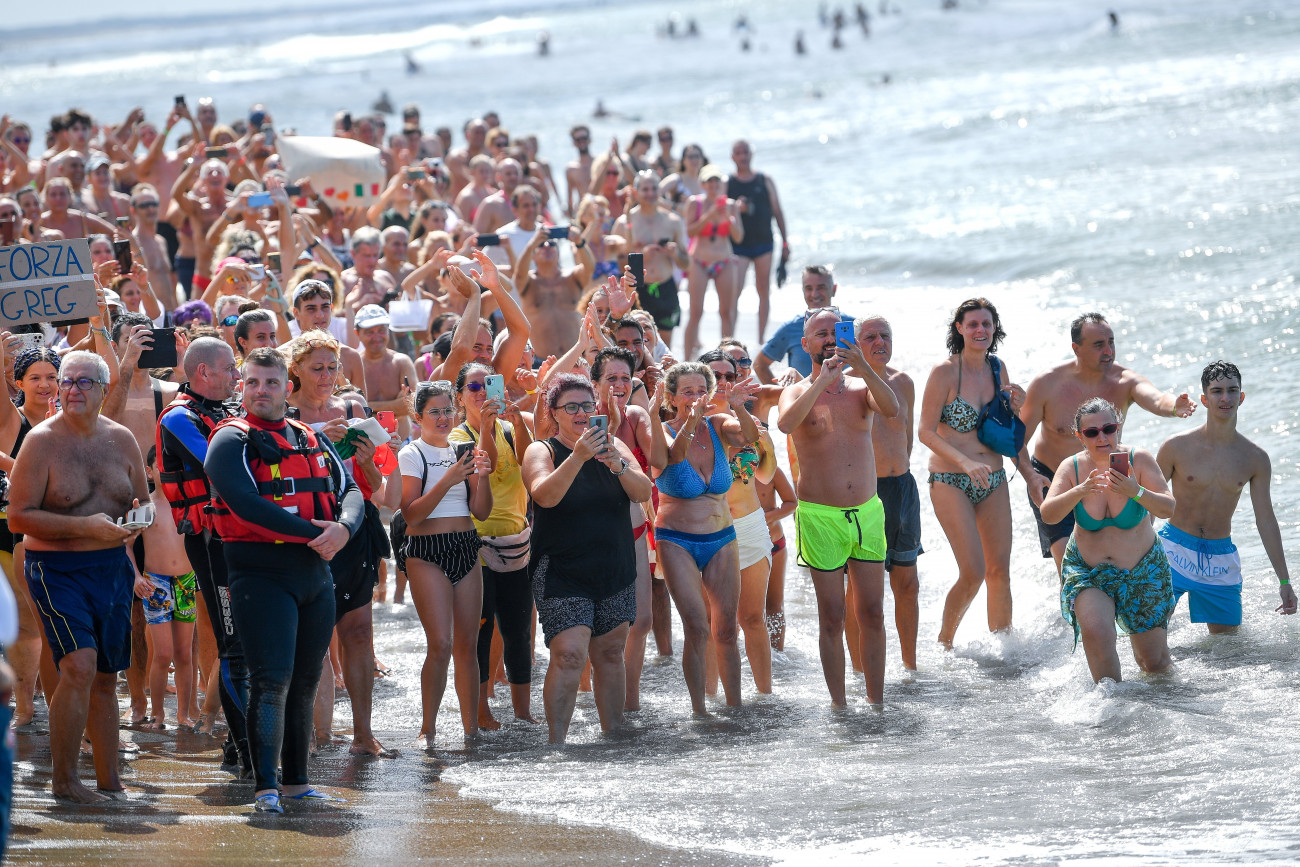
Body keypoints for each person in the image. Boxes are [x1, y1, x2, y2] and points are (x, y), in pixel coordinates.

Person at [205, 347, 362, 812]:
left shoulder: (308, 437)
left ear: (287, 388)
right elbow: (244, 504)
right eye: (252, 382)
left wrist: (344, 528)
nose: (260, 391)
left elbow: (348, 489)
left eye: (270, 383)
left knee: (307, 680)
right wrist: (317, 534)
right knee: (270, 680)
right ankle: (266, 787)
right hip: (259, 572)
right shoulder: (229, 440)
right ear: (242, 387)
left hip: (314, 573)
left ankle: (297, 780)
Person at [7, 351, 149, 804]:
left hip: (110, 568)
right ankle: (64, 780)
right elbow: (18, 518)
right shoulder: (42, 442)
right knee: (79, 666)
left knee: (107, 675)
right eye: (67, 382)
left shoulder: (121, 439)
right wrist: (85, 526)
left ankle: (110, 781)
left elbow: (140, 500)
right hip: (55, 569)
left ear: (103, 389)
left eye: (84, 382)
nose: (71, 390)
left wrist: (136, 521)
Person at [777, 310, 898, 707]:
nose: (830, 339)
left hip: (866, 513)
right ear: (806, 344)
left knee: (874, 613)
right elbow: (786, 424)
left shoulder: (861, 389)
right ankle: (839, 706)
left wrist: (861, 365)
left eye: (837, 332)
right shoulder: (796, 390)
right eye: (820, 334)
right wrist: (822, 381)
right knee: (831, 616)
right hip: (820, 516)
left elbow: (892, 407)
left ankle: (876, 703)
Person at [522, 374, 652, 742]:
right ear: (554, 413)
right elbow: (544, 496)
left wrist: (618, 465)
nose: (581, 414)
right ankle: (556, 744)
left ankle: (613, 737)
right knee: (569, 654)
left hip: (614, 566)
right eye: (571, 407)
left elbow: (644, 492)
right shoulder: (542, 451)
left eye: (587, 406)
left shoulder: (615, 448)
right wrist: (579, 455)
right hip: (561, 568)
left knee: (611, 654)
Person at [1020, 311, 1196, 571]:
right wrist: (1031, 476)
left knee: (1116, 561)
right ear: (1076, 348)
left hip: (1110, 475)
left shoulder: (1124, 380)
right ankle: (1074, 608)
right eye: (1098, 344)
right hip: (1052, 477)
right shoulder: (1048, 383)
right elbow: (1018, 439)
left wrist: (1173, 407)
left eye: (1111, 342)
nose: (1108, 351)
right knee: (1068, 568)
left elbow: (1156, 398)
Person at [284, 330, 389, 756]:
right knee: (307, 637)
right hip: (304, 532)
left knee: (359, 632)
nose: (326, 376)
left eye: (332, 367)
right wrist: (311, 435)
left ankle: (363, 734)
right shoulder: (282, 415)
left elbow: (378, 488)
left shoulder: (353, 409)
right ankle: (307, 735)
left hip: (355, 531)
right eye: (317, 368)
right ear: (296, 371)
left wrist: (368, 461)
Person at [154, 337, 250, 762]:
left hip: (244, 536)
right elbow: (220, 461)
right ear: (203, 373)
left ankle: (244, 739)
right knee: (232, 641)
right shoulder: (177, 417)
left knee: (252, 637)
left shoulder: (230, 410)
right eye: (230, 368)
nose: (237, 375)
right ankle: (243, 745)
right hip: (210, 541)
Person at [919, 299, 1033, 649]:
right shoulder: (944, 372)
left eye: (987, 324)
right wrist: (965, 463)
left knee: (999, 573)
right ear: (959, 328)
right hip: (950, 481)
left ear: (995, 328)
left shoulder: (999, 369)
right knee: (972, 572)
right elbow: (924, 432)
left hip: (995, 482)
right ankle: (945, 645)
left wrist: (1031, 476)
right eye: (973, 324)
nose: (980, 330)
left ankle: (1006, 654)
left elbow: (1008, 431)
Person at [1039, 398, 1176, 683]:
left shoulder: (1139, 460)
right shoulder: (1072, 467)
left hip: (1142, 569)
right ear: (1080, 436)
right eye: (1091, 432)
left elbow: (1167, 507)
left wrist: (1135, 491)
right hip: (1089, 571)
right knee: (1097, 632)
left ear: (1118, 427)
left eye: (1109, 428)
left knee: (1154, 664)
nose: (1102, 437)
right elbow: (1048, 515)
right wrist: (1080, 490)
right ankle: (1112, 713)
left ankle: (1161, 716)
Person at [652, 361, 761, 713]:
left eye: (702, 391)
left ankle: (735, 711)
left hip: (721, 537)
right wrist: (690, 421)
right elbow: (672, 456)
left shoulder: (717, 424)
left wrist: (740, 407)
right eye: (687, 392)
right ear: (671, 397)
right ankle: (699, 712)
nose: (696, 398)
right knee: (698, 628)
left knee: (727, 630)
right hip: (676, 540)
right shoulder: (663, 429)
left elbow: (750, 437)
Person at [1156, 361, 1296, 632]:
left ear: (1241, 397)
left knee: (1228, 652)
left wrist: (1284, 582)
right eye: (1217, 391)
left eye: (1232, 391)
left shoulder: (1255, 458)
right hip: (1172, 551)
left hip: (1220, 562)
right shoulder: (1175, 447)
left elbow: (1265, 520)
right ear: (1204, 399)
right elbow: (1148, 507)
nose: (1225, 398)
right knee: (1151, 643)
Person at [398, 381, 493, 747]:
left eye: (447, 410)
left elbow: (481, 511)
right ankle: (428, 728)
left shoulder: (463, 449)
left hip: (466, 544)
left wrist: (480, 479)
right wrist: (451, 477)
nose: (442, 417)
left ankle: (471, 731)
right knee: (440, 642)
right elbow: (412, 515)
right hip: (426, 550)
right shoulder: (412, 454)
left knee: (467, 645)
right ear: (418, 416)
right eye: (434, 411)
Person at [447, 363, 536, 728]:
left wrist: (519, 422)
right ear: (459, 396)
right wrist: (485, 426)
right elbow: (487, 464)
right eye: (473, 387)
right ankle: (481, 710)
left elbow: (532, 465)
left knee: (519, 631)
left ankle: (523, 711)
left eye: (489, 384)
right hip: (477, 545)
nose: (482, 391)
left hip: (517, 541)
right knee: (481, 631)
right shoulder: (456, 436)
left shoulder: (509, 426)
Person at [701, 350, 775, 694]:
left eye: (729, 376)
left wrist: (763, 437)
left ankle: (765, 697)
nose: (724, 383)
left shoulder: (749, 423)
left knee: (753, 618)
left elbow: (766, 474)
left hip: (748, 526)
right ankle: (711, 702)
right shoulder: (690, 425)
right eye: (715, 376)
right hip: (707, 530)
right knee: (712, 623)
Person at [590, 348, 657, 710]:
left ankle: (630, 703)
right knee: (600, 624)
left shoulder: (637, 414)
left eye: (625, 379)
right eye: (610, 378)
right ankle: (599, 697)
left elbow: (657, 463)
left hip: (636, 528)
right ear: (594, 383)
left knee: (642, 620)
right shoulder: (579, 418)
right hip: (594, 536)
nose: (618, 385)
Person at [858, 316, 920, 671]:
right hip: (866, 492)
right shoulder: (847, 385)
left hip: (902, 488)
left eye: (886, 335)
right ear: (855, 342)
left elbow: (907, 438)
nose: (880, 342)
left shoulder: (903, 382)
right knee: (865, 593)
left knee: (908, 583)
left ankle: (910, 668)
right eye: (870, 337)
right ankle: (859, 670)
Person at [615, 171, 690, 345]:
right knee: (634, 345)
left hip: (665, 288)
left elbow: (686, 264)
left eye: (654, 189)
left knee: (665, 346)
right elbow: (616, 264)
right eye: (645, 189)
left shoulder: (673, 221)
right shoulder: (625, 222)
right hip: (637, 291)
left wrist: (675, 253)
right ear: (636, 192)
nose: (650, 194)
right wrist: (641, 255)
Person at [726, 140, 788, 342]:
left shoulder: (764, 179)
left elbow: (777, 211)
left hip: (764, 242)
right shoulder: (728, 183)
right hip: (739, 245)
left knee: (764, 290)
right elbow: (721, 213)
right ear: (732, 156)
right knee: (736, 292)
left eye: (745, 152)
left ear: (751, 154)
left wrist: (786, 243)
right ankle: (730, 340)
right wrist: (736, 207)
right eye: (738, 153)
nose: (742, 156)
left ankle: (761, 340)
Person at [753, 266, 853, 384]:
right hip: (806, 399)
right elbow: (760, 364)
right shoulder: (791, 328)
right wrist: (781, 396)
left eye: (821, 288)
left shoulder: (851, 326)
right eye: (808, 288)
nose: (814, 294)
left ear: (834, 289)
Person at [682, 165, 742, 358]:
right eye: (709, 181)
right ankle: (687, 359)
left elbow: (739, 237)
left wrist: (728, 218)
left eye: (716, 180)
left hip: (723, 260)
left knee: (726, 312)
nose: (713, 185)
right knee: (695, 313)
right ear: (702, 184)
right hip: (699, 259)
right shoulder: (695, 203)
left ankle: (727, 358)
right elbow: (689, 232)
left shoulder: (731, 205)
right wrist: (709, 215)